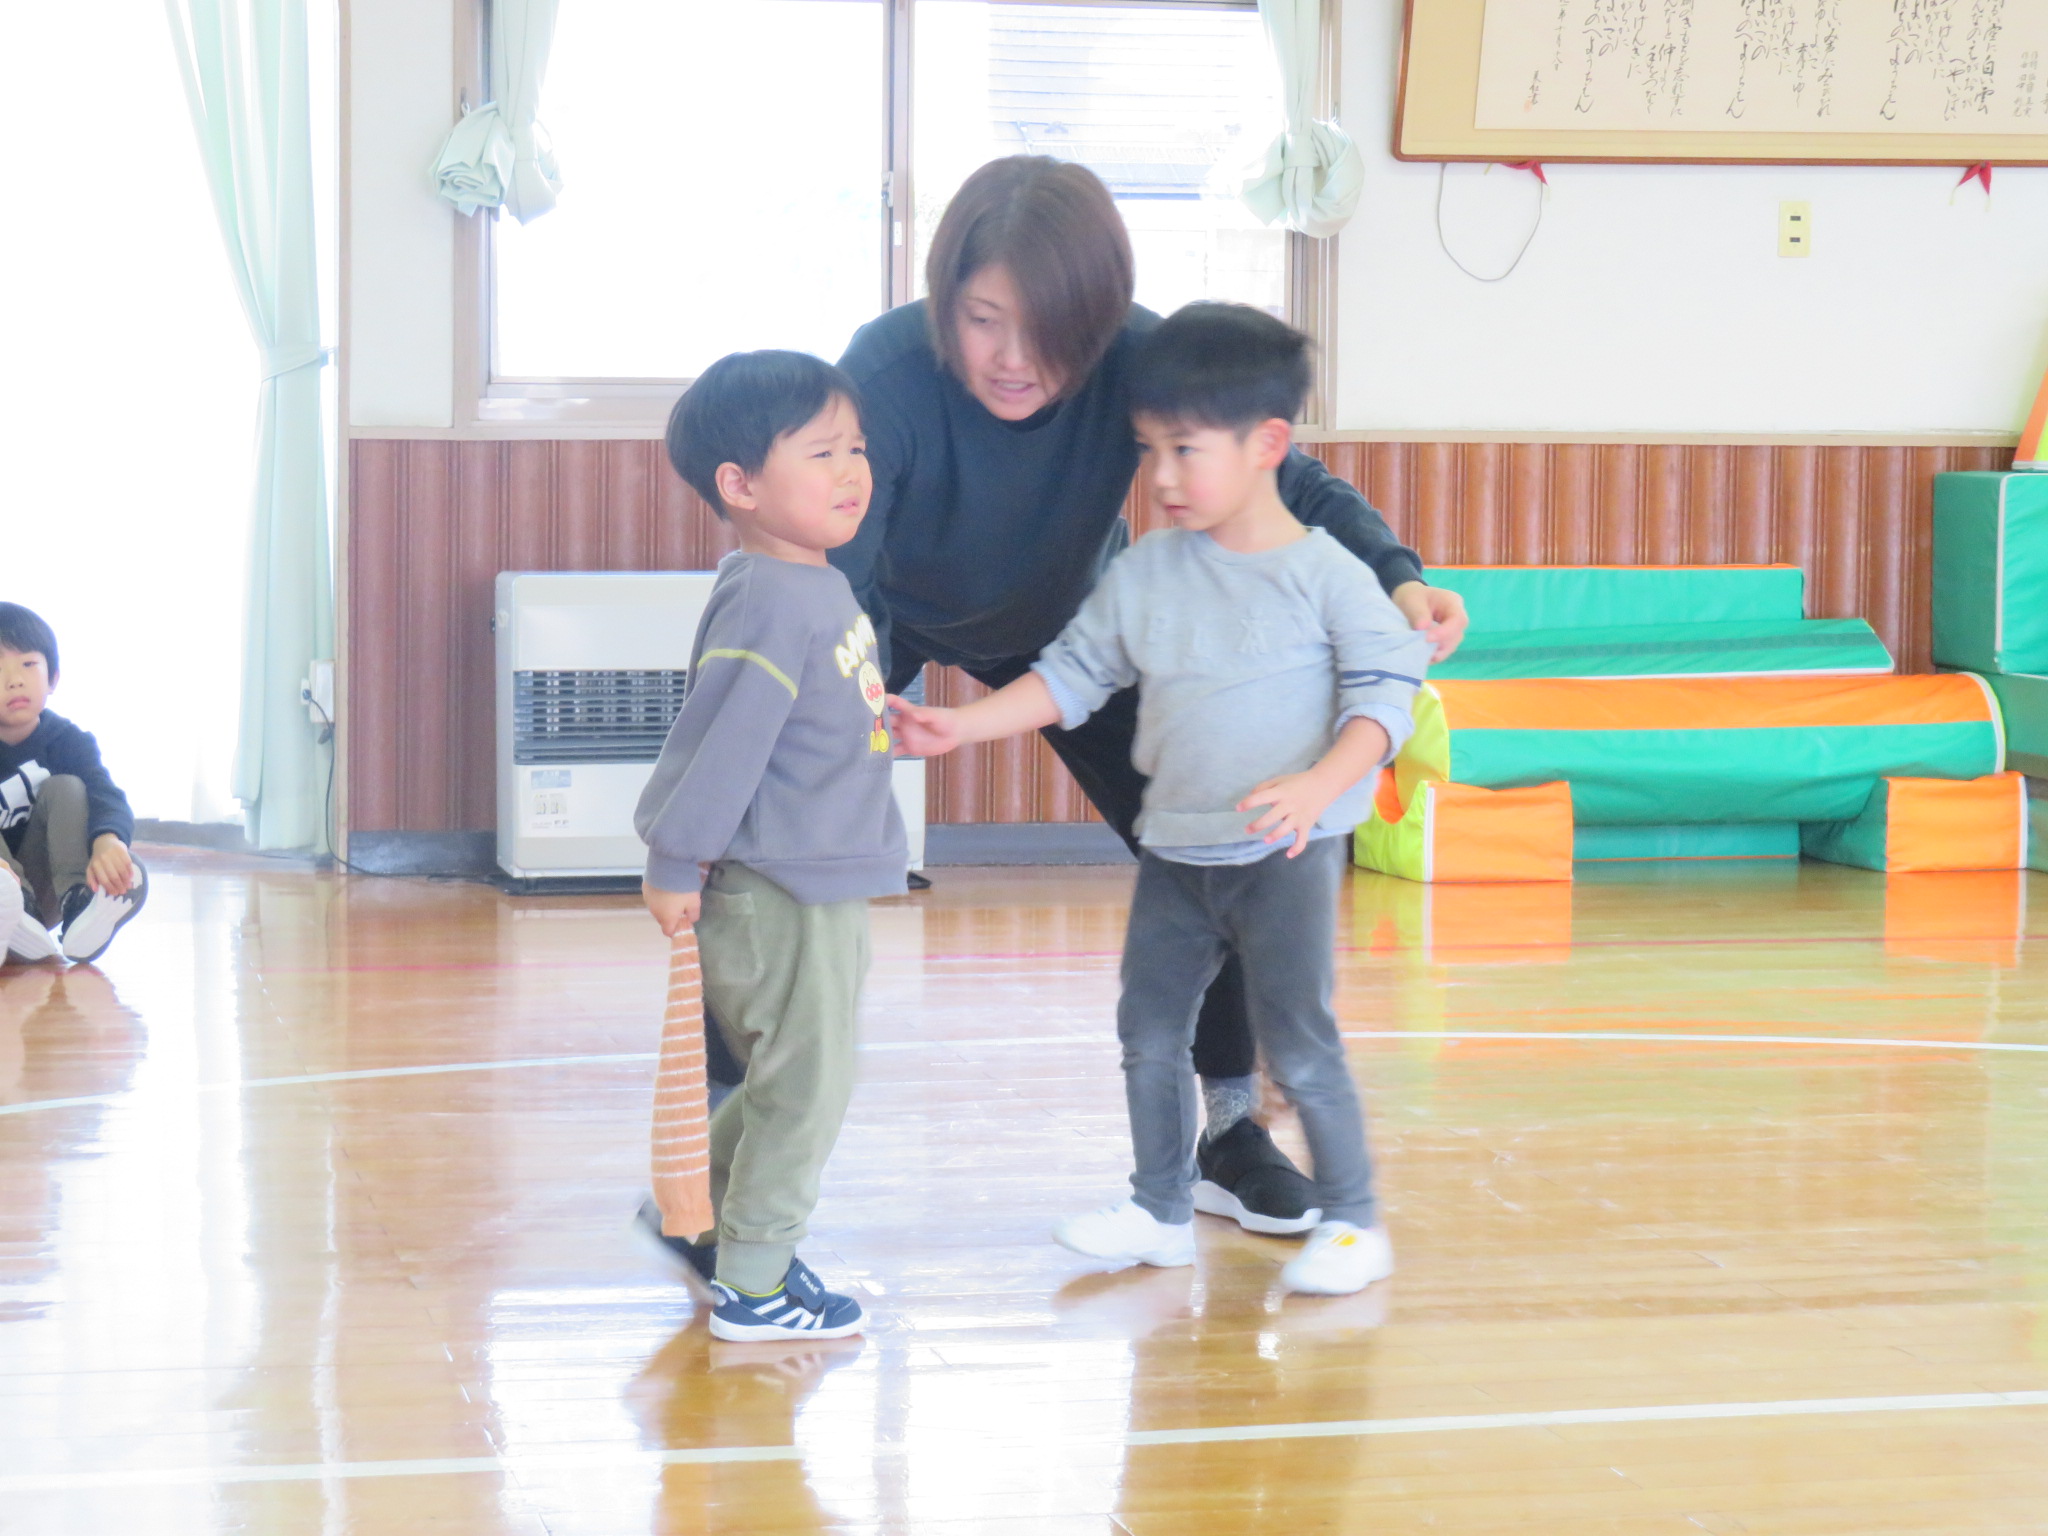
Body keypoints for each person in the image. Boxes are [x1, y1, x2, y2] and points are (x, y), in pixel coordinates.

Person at [832, 155, 1466, 1234]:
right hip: (884, 611)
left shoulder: (1138, 354)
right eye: (982, 320)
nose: (1012, 358)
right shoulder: (886, 373)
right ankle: (725, 1143)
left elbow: (1288, 482)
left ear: (1099, 315)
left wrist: (1398, 576)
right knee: (780, 843)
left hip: (1072, 620)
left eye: (1047, 329)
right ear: (945, 301)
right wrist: (839, 716)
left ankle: (1230, 1132)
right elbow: (835, 571)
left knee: (1228, 841)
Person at [890, 303, 1427, 1294]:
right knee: (1146, 1033)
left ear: (1266, 445)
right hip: (1178, 853)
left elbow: (1387, 699)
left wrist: (1319, 785)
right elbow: (1071, 674)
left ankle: (1355, 1222)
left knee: (1300, 1044)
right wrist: (960, 725)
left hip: (1282, 857)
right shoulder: (1146, 572)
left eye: (1186, 451)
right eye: (1149, 452)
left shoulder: (1325, 574)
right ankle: (1159, 1208)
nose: (1163, 478)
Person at [631, 350, 908, 1342]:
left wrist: (875, 717)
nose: (851, 471)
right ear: (740, 487)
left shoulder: (807, 583)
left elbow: (794, 717)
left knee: (800, 1073)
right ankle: (754, 1282)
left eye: (856, 449)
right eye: (820, 453)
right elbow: (721, 739)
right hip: (780, 889)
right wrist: (675, 857)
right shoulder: (772, 598)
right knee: (806, 1086)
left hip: (815, 880)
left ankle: (700, 1213)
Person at [0, 603, 146, 966]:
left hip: (43, 897)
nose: (14, 679)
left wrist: (107, 842)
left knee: (68, 787)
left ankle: (80, 906)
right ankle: (10, 911)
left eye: (28, 664)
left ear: (53, 678)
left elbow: (105, 795)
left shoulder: (68, 741)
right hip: (4, 886)